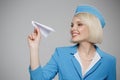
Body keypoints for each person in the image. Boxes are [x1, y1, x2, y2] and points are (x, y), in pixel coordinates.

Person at [27, 5, 116, 80]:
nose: (73, 28)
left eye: (79, 24)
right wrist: (34, 47)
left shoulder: (109, 61)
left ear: (92, 28)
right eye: (72, 25)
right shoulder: (60, 54)